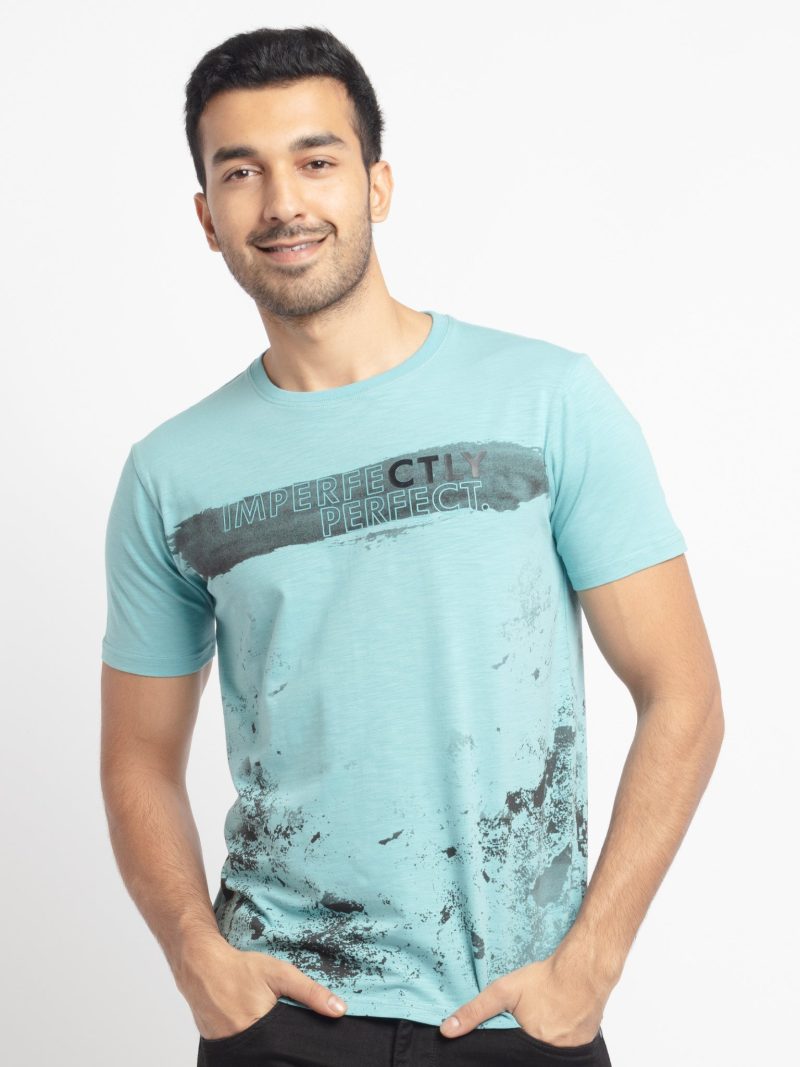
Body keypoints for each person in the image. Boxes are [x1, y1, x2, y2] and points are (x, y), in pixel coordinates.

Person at [100, 24, 724, 1067]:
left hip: (516, 1009)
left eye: (316, 160)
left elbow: (683, 693)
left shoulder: (547, 399)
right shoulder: (171, 471)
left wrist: (592, 962)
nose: (283, 202)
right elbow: (136, 756)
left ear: (376, 185)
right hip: (281, 1015)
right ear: (207, 216)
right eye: (241, 172)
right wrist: (196, 954)